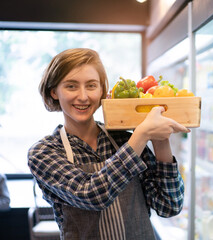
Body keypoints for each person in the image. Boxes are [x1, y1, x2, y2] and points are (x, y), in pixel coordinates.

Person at [28, 48, 189, 240]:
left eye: (91, 85)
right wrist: (142, 135)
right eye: (71, 86)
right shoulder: (44, 153)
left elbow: (169, 206)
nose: (83, 96)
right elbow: (94, 195)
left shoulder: (124, 140)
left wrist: (160, 140)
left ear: (102, 90)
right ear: (54, 91)